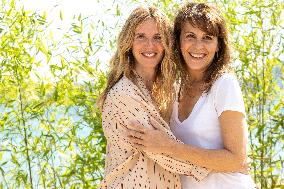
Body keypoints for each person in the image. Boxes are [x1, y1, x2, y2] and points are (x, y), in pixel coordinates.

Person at [126, 3, 256, 189]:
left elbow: (237, 160)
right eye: (190, 36)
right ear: (178, 41)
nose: (198, 46)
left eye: (207, 38)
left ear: (218, 45)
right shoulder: (173, 89)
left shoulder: (224, 85)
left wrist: (169, 147)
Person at [97, 6, 210, 189]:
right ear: (129, 42)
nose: (150, 45)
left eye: (157, 37)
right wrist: (220, 164)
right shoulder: (124, 94)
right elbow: (162, 152)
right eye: (141, 36)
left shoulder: (167, 90)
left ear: (167, 42)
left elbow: (171, 143)